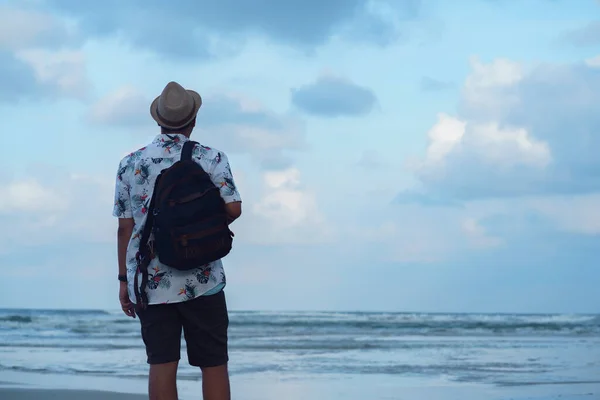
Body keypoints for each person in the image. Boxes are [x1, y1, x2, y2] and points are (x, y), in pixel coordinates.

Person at [112, 81, 242, 400]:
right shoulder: (210, 157)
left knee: (162, 364)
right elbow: (234, 208)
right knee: (213, 364)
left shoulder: (130, 163)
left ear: (158, 120)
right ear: (193, 120)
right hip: (204, 276)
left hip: (151, 281)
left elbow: (125, 228)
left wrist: (123, 280)